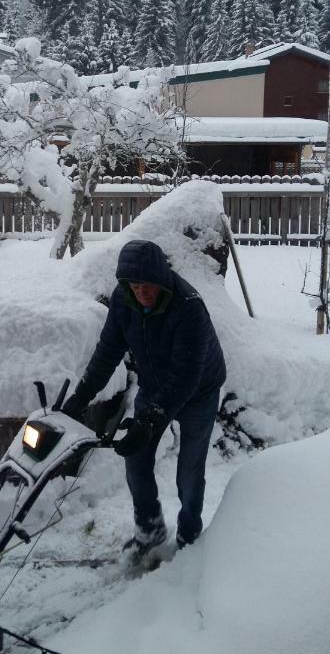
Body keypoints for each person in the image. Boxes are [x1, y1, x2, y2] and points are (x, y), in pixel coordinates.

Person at [62, 238, 226, 560]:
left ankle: (189, 534)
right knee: (136, 459)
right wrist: (80, 398)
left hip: (199, 392)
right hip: (154, 385)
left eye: (147, 285)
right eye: (134, 286)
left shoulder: (189, 306)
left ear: (162, 280)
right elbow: (107, 352)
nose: (142, 293)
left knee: (189, 471)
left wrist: (150, 420)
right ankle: (150, 528)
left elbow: (186, 377)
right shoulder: (124, 301)